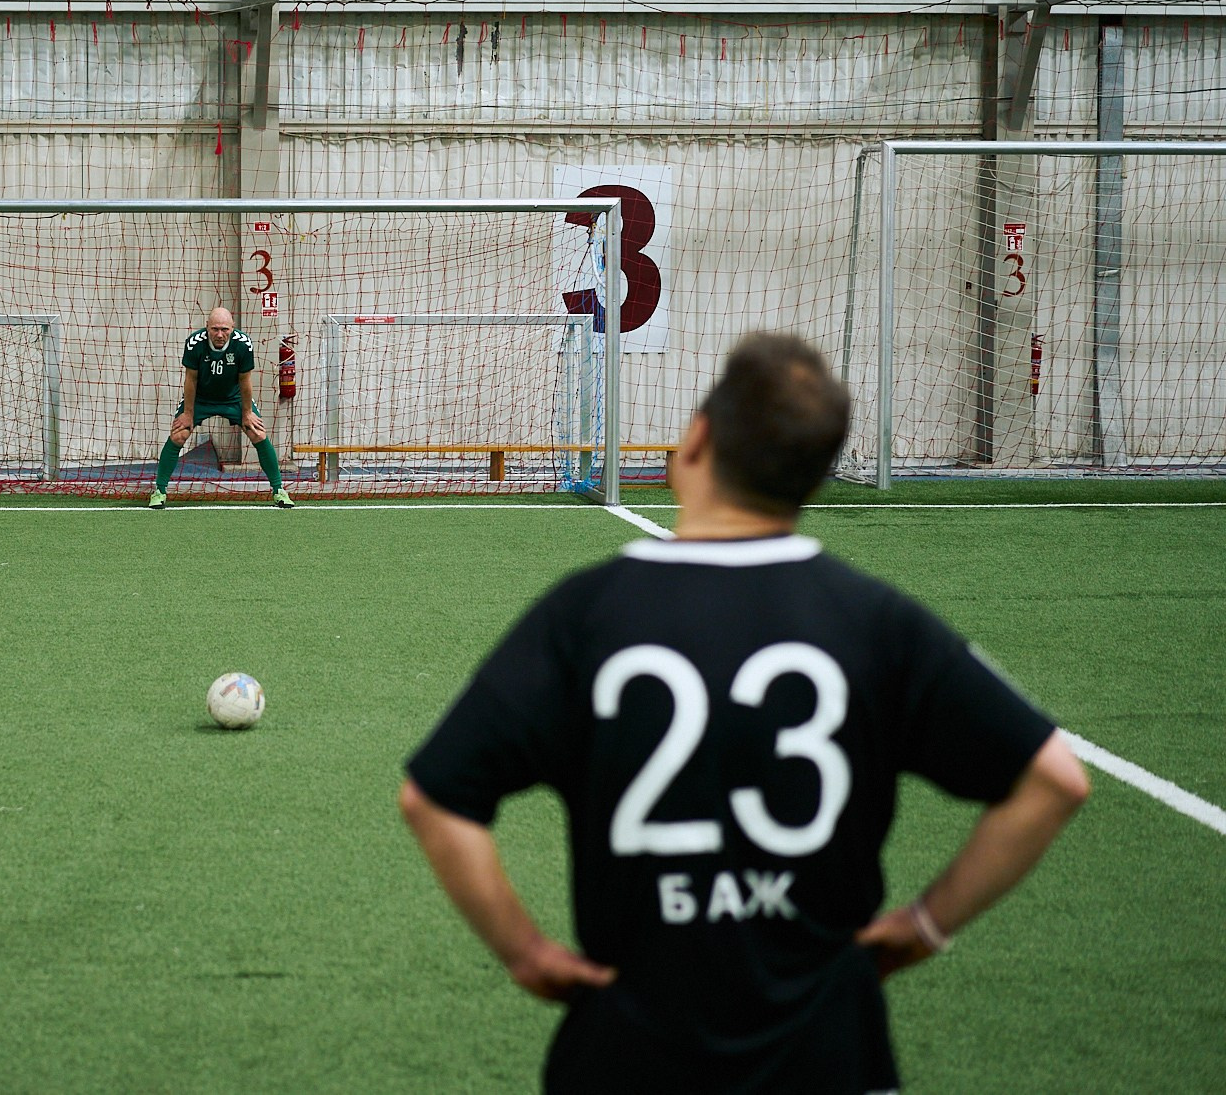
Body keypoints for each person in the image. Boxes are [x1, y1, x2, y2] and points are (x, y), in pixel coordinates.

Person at [400, 332, 1088, 1093]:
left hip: (633, 1049)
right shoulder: (875, 621)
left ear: (695, 440)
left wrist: (525, 952)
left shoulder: (585, 614)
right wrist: (921, 927)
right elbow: (1054, 781)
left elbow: (434, 797)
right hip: (829, 1047)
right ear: (813, 477)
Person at [149, 306, 293, 509]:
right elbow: (191, 379)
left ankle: (279, 490)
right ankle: (159, 491)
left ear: (232, 328)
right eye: (215, 329)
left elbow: (245, 380)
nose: (219, 334)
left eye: (225, 329)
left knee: (258, 433)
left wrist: (247, 413)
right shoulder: (194, 343)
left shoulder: (243, 344)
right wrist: (188, 414)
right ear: (206, 327)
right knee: (178, 434)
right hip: (201, 398)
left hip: (232, 397)